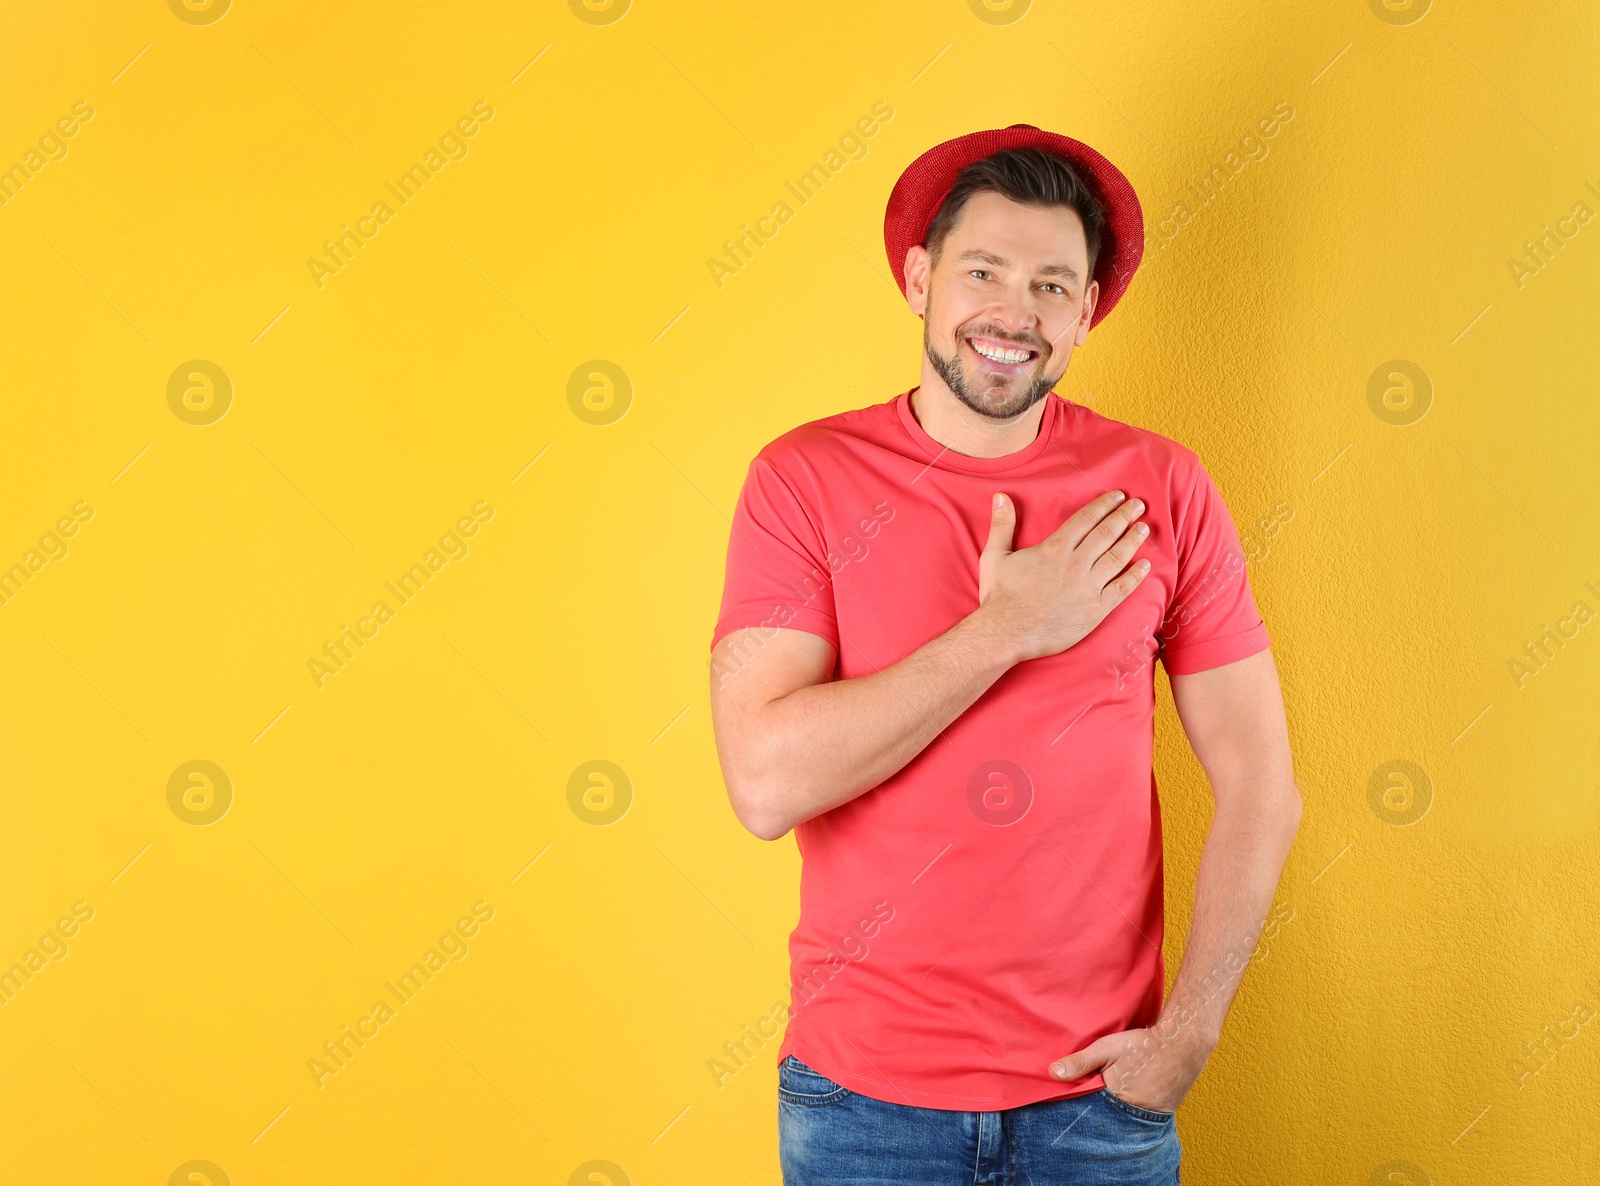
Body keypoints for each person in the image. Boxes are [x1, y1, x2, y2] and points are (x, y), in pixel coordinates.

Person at [707, 124, 1303, 1184]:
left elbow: (1261, 781)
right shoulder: (803, 480)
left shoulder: (1160, 484)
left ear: (1083, 314)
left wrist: (1190, 1032)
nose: (1013, 312)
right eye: (983, 270)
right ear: (920, 278)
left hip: (1098, 1105)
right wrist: (1006, 630)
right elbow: (764, 784)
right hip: (864, 1106)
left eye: (1051, 285)